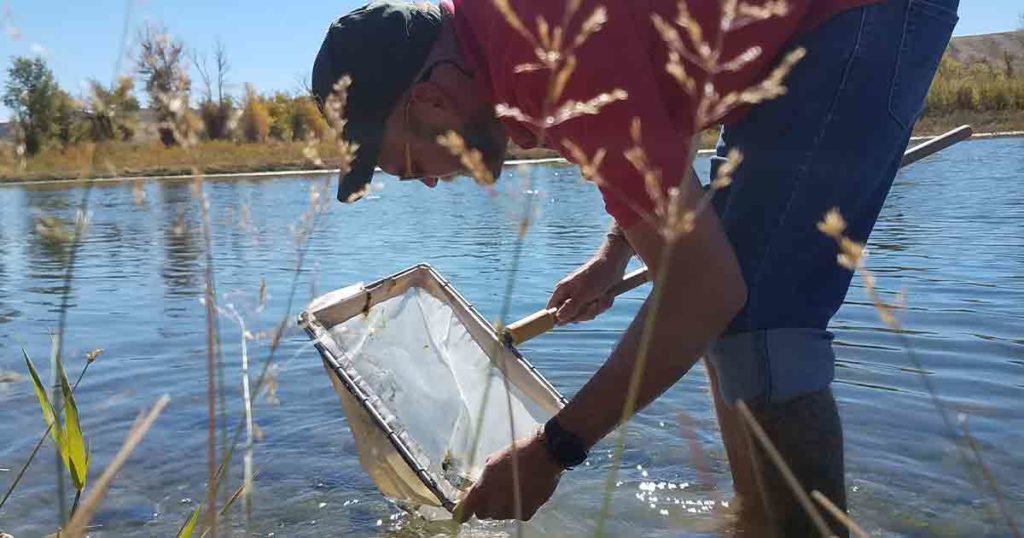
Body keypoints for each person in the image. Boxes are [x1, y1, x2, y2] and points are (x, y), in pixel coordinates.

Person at [311, 0, 958, 535]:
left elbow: (706, 289)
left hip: (854, 16)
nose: (428, 183)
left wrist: (552, 450)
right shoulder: (506, 38)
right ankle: (762, 519)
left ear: (429, 101)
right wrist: (613, 251)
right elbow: (661, 112)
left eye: (411, 165)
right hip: (782, 42)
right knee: (731, 309)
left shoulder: (541, 59)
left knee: (761, 318)